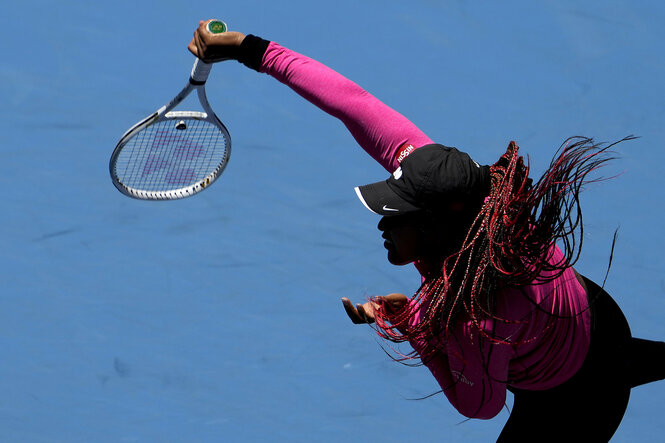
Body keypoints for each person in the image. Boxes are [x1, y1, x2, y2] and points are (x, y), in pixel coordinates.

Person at [188, 20, 665, 442]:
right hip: (592, 313)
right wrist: (250, 47)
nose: (383, 221)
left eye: (399, 214)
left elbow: (480, 406)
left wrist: (414, 322)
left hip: (574, 400)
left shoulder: (476, 311)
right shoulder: (447, 182)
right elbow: (349, 101)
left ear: (438, 227)